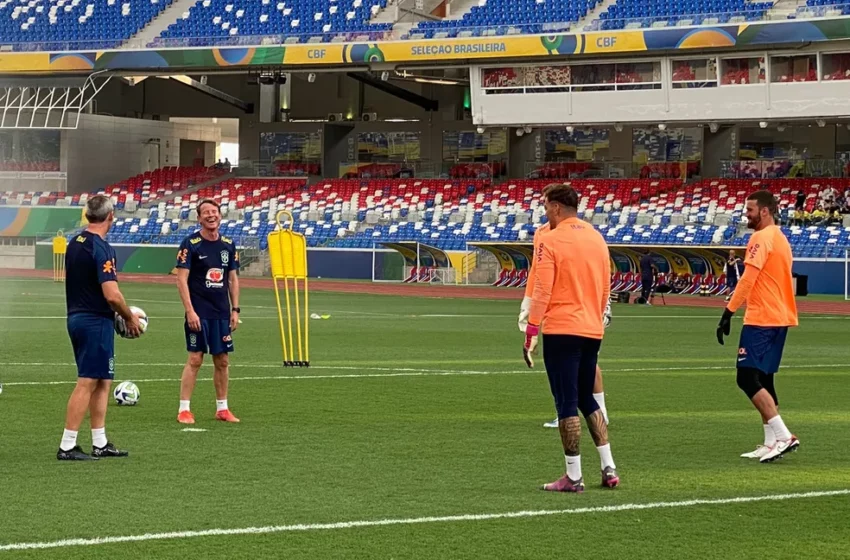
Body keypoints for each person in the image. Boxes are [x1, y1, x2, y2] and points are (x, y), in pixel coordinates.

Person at [523, 184, 618, 492]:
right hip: (592, 328)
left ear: (557, 208)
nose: (544, 211)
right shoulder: (597, 238)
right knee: (587, 397)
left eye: (546, 205)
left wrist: (532, 330)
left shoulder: (550, 240)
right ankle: (608, 465)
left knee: (566, 401)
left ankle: (574, 476)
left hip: (562, 328)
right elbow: (606, 287)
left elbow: (542, 288)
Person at [716, 190, 799, 463]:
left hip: (762, 318)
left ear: (765, 211)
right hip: (780, 317)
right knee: (764, 379)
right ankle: (770, 442)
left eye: (750, 210)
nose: (746, 215)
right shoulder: (781, 239)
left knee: (746, 377)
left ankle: (784, 435)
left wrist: (728, 312)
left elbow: (748, 279)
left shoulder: (761, 238)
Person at [58, 195, 139, 461]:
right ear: (111, 216)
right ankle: (68, 445)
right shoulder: (101, 248)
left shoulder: (75, 242)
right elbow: (112, 294)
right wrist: (129, 317)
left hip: (79, 317)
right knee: (88, 381)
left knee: (104, 380)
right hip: (94, 320)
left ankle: (99, 442)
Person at [518, 219, 610, 430]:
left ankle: (591, 411)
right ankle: (586, 412)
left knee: (580, 363)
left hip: (578, 306)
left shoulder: (564, 235)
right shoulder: (547, 233)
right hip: (577, 306)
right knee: (578, 362)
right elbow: (538, 272)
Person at [176, 199, 241, 424]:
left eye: (214, 211)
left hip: (221, 312)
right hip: (198, 311)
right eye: (206, 213)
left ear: (220, 215)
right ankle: (184, 409)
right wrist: (189, 311)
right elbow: (181, 280)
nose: (210, 215)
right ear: (199, 218)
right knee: (195, 358)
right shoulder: (190, 243)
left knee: (222, 360)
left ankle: (222, 408)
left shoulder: (228, 245)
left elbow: (233, 279)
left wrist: (235, 310)